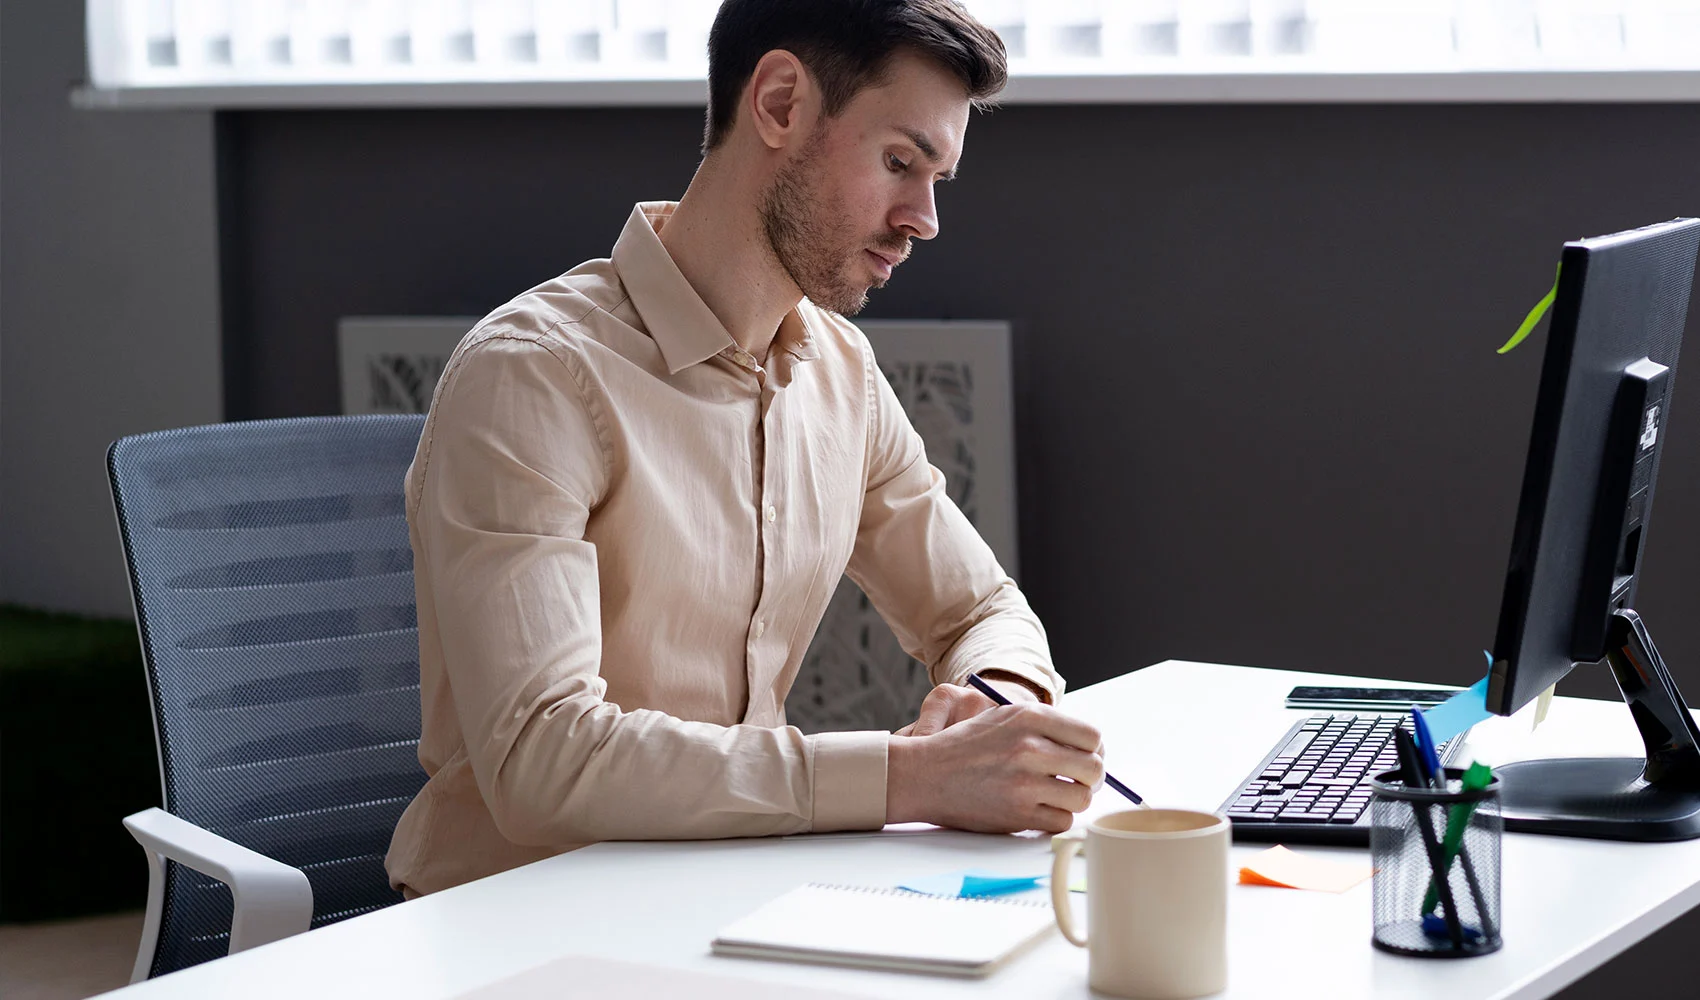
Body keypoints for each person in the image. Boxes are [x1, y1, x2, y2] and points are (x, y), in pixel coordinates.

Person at [386, 0, 1106, 897]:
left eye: (937, 180)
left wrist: (997, 707)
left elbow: (978, 609)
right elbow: (544, 759)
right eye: (898, 163)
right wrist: (913, 778)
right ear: (777, 103)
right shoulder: (534, 376)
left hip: (729, 895)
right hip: (516, 922)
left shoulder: (840, 371)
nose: (922, 218)